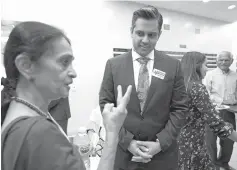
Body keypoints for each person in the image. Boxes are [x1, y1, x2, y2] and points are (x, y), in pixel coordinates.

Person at [1, 21, 132, 170]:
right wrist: (113, 132)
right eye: (64, 62)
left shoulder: (17, 113)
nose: (73, 73)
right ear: (26, 65)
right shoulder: (39, 134)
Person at [99, 5, 189, 170]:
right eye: (140, 33)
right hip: (125, 154)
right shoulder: (113, 65)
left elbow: (180, 108)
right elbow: (106, 105)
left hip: (162, 156)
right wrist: (128, 142)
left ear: (159, 35)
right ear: (131, 31)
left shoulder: (173, 66)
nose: (145, 40)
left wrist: (161, 143)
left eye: (152, 35)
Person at [178, 51, 237, 170]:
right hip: (193, 142)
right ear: (197, 66)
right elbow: (217, 124)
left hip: (179, 141)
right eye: (205, 65)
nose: (207, 68)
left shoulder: (178, 85)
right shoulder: (197, 88)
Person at [203, 51, 237, 170]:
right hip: (212, 111)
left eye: (226, 60)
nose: (223, 62)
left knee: (229, 140)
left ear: (231, 61)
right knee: (210, 141)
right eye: (221, 60)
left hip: (230, 112)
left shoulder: (235, 75)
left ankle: (224, 162)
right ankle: (213, 165)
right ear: (217, 61)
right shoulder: (209, 74)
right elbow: (205, 93)